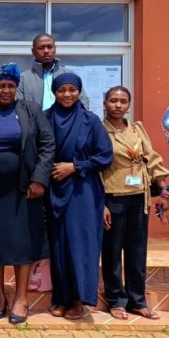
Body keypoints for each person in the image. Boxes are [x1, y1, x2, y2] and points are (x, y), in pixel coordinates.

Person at [0, 64, 55, 324]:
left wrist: (39, 179)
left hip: (25, 189)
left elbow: (47, 145)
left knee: (23, 243)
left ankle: (21, 298)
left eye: (11, 86)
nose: (6, 91)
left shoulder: (31, 110)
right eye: (0, 86)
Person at [45, 73, 112, 320]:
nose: (67, 94)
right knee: (59, 243)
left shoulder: (90, 120)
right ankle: (61, 298)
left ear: (79, 91)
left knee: (81, 243)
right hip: (54, 189)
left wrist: (74, 166)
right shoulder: (46, 118)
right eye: (61, 90)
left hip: (83, 190)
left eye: (72, 90)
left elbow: (105, 156)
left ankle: (78, 300)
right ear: (54, 92)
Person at [101, 86, 169, 320]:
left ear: (128, 105)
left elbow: (153, 160)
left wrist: (164, 191)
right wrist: (100, 204)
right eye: (113, 101)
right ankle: (116, 300)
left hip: (140, 197)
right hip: (112, 196)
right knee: (112, 252)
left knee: (137, 251)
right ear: (105, 104)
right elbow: (95, 168)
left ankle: (137, 301)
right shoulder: (98, 130)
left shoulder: (137, 129)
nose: (118, 105)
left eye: (122, 101)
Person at [17, 33, 89, 110]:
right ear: (33, 51)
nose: (46, 51)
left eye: (50, 47)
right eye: (41, 48)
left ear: (55, 49)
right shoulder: (22, 79)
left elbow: (83, 102)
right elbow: (19, 108)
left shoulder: (69, 75)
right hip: (34, 118)